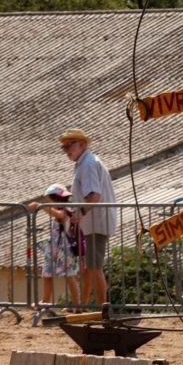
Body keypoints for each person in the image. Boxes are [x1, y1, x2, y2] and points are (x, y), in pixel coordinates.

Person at [59, 128, 117, 307]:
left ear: (82, 144)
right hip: (92, 223)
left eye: (70, 145)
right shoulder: (85, 162)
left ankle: (102, 310)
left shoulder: (88, 164)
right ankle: (82, 307)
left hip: (96, 222)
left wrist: (80, 214)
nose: (67, 150)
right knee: (89, 269)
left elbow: (94, 195)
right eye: (64, 147)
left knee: (94, 268)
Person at [26, 183, 81, 309]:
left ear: (55, 199)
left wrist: (41, 206)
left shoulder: (65, 210)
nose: (47, 203)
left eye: (48, 201)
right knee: (47, 273)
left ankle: (77, 303)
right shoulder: (62, 209)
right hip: (54, 247)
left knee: (69, 275)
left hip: (64, 248)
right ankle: (45, 300)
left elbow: (59, 216)